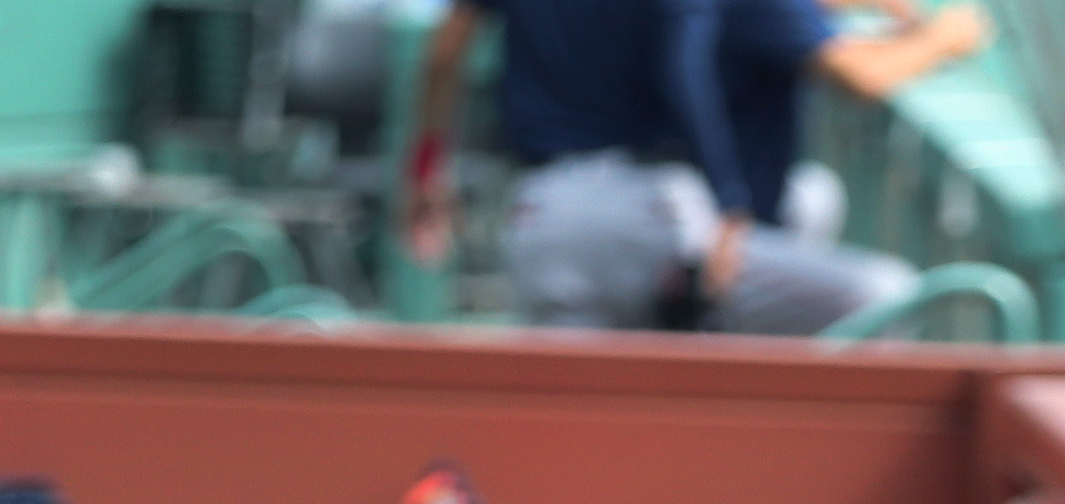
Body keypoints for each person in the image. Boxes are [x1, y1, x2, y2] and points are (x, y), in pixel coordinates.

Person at [404, 0, 986, 335]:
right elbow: (683, 68)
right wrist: (729, 199)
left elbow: (447, 47)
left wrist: (429, 172)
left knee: (570, 454)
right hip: (646, 220)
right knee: (884, 295)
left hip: (539, 217)